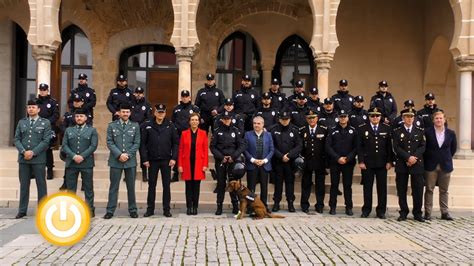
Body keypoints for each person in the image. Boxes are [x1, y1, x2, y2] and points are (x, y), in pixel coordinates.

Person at [14, 100, 52, 219]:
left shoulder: (45, 123)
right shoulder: (22, 122)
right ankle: (22, 210)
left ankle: (42, 209)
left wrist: (33, 152)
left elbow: (46, 141)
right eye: (29, 107)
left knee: (41, 184)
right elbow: (16, 139)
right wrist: (23, 151)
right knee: (24, 185)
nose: (31, 109)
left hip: (39, 159)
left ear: (38, 109)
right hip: (23, 159)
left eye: (33, 107)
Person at [140, 104, 179, 218]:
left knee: (166, 186)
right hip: (152, 160)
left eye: (162, 112)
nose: (160, 114)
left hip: (166, 160)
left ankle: (166, 209)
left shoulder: (170, 125)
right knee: (152, 185)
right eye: (158, 112)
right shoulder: (148, 125)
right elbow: (143, 144)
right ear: (155, 112)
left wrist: (174, 158)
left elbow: (175, 143)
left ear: (165, 113)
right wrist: (144, 159)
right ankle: (150, 209)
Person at [104, 103, 140, 219]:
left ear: (130, 113)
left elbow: (137, 143)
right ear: (119, 113)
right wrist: (119, 154)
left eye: (127, 112)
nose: (125, 114)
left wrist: (128, 155)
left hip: (130, 161)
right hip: (115, 160)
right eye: (123, 112)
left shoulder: (135, 126)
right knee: (114, 186)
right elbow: (109, 142)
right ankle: (110, 210)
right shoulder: (112, 126)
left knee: (131, 187)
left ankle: (133, 210)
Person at [61, 109, 98, 217]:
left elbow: (93, 146)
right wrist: (73, 156)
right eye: (77, 116)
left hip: (86, 163)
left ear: (86, 118)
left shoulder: (92, 130)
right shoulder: (69, 130)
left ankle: (90, 209)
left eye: (81, 116)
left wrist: (82, 156)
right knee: (71, 188)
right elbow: (65, 145)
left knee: (88, 188)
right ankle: (71, 210)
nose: (79, 118)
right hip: (72, 163)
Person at [358, 107, 393, 219]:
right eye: (372, 116)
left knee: (382, 188)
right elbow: (360, 147)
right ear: (369, 117)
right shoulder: (362, 128)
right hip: (368, 163)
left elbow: (389, 147)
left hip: (382, 163)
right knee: (367, 188)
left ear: (380, 117)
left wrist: (389, 161)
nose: (375, 118)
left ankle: (381, 210)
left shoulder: (386, 128)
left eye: (377, 115)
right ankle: (366, 210)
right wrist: (361, 161)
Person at [392, 108, 426, 222]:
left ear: (414, 118)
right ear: (403, 118)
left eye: (411, 116)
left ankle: (417, 213)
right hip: (402, 163)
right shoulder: (397, 131)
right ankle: (403, 212)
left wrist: (414, 157)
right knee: (401, 189)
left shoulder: (420, 131)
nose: (409, 118)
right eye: (407, 116)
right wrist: (407, 157)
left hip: (417, 163)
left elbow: (423, 146)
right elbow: (396, 147)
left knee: (418, 189)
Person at [210, 111, 246, 215]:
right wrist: (221, 157)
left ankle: (235, 206)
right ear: (221, 119)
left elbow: (242, 145)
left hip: (233, 161)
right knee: (221, 184)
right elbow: (212, 146)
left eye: (228, 119)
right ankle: (219, 206)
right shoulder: (216, 131)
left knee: (233, 184)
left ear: (231, 119)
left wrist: (233, 156)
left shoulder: (236, 131)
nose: (227, 120)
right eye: (225, 119)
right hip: (221, 160)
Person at [423, 110, 457, 221]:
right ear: (433, 120)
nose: (439, 120)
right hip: (430, 165)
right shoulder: (427, 132)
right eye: (437, 118)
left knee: (444, 190)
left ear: (444, 119)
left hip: (445, 165)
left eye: (441, 118)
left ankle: (445, 212)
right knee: (429, 189)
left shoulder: (451, 133)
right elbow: (424, 148)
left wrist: (445, 158)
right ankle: (428, 212)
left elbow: (453, 149)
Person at [326, 110, 358, 216]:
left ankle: (349, 207)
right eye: (341, 116)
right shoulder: (332, 130)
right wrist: (337, 157)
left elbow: (356, 147)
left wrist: (348, 158)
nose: (343, 118)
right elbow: (328, 146)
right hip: (335, 162)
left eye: (344, 116)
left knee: (347, 186)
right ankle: (333, 207)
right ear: (338, 118)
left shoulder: (353, 131)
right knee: (334, 185)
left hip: (348, 163)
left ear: (348, 118)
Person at [269, 111, 302, 212]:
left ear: (289, 119)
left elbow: (299, 145)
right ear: (279, 119)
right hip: (278, 161)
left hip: (290, 162)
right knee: (277, 183)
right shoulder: (273, 130)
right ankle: (276, 203)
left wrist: (289, 155)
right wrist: (281, 156)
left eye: (286, 119)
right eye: (283, 119)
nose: (284, 121)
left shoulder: (295, 130)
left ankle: (290, 203)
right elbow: (271, 146)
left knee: (290, 183)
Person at [178, 113, 209, 215]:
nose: (194, 122)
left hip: (199, 163)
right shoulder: (184, 133)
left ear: (199, 122)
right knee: (188, 187)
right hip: (187, 162)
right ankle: (189, 207)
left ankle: (195, 207)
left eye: (196, 120)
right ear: (189, 122)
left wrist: (205, 164)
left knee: (196, 187)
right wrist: (180, 165)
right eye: (192, 120)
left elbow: (205, 150)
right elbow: (181, 149)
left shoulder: (203, 133)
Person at [300, 110, 328, 213]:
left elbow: (326, 146)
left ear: (317, 118)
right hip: (307, 161)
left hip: (320, 161)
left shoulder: (324, 130)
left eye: (313, 118)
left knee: (320, 184)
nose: (311, 120)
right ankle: (304, 204)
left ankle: (319, 205)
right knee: (306, 183)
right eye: (309, 118)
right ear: (306, 119)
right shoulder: (302, 130)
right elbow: (300, 146)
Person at [244, 116, 274, 209]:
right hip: (252, 165)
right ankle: (250, 206)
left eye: (258, 123)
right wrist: (253, 160)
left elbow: (272, 150)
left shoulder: (268, 135)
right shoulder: (247, 134)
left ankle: (263, 206)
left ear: (263, 124)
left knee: (264, 188)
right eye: (254, 123)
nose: (256, 125)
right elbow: (245, 150)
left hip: (264, 165)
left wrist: (265, 160)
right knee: (251, 188)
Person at [36, 83, 59, 180]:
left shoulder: (52, 102)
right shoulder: (35, 102)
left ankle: (50, 170)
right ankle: (35, 171)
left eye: (44, 90)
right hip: (36, 128)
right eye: (41, 90)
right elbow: (30, 113)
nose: (42, 91)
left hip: (48, 128)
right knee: (36, 148)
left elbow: (56, 115)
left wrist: (46, 123)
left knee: (48, 149)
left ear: (47, 91)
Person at [130, 86, 152, 182]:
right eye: (137, 93)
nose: (138, 94)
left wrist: (140, 126)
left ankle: (144, 174)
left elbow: (148, 119)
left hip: (142, 131)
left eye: (140, 93)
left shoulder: (147, 104)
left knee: (143, 153)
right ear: (134, 93)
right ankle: (130, 174)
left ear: (143, 94)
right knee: (131, 153)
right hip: (131, 131)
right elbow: (127, 117)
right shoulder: (130, 103)